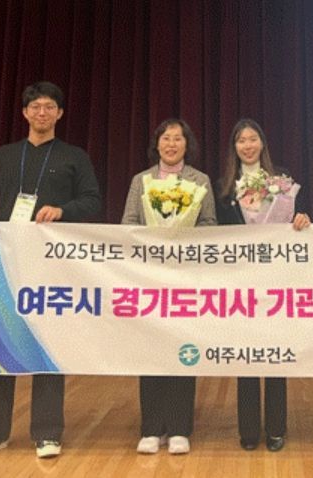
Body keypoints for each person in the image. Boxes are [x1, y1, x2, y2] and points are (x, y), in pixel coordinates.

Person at [0, 81, 102, 460]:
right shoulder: (5, 155)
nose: (42, 113)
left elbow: (92, 200)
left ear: (60, 114)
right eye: (36, 107)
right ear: (25, 113)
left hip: (53, 265)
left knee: (47, 344)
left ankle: (47, 433)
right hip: (6, 264)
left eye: (49, 107)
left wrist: (63, 210)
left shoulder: (74, 156)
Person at [121, 118, 216, 454]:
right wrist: (153, 239)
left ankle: (179, 428)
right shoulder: (141, 181)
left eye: (178, 138)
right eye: (166, 138)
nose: (172, 144)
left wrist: (183, 237)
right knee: (150, 351)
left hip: (186, 279)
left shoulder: (200, 181)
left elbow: (210, 224)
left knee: (183, 351)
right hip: (149, 278)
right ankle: (151, 428)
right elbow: (128, 223)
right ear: (157, 144)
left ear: (187, 145)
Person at [216, 119, 310, 452]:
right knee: (245, 355)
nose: (247, 145)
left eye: (252, 138)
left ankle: (276, 428)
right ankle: (248, 430)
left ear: (262, 143)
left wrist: (302, 219)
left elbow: (299, 216)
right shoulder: (224, 186)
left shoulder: (281, 180)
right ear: (234, 147)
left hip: (275, 282)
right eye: (241, 140)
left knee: (274, 355)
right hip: (239, 283)